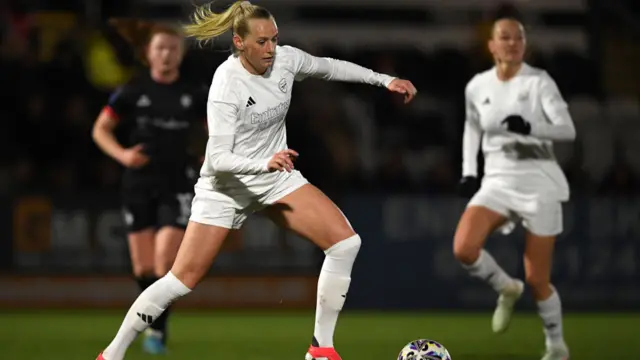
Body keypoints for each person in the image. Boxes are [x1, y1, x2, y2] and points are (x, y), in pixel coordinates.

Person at [95, 2, 416, 360]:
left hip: (275, 179)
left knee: (345, 244)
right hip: (226, 188)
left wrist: (383, 79)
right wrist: (264, 162)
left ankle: (320, 349)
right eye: (262, 42)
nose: (271, 49)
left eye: (275, 40)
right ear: (239, 42)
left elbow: (329, 68)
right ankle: (111, 354)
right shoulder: (226, 83)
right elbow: (218, 159)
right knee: (181, 280)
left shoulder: (286, 61)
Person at [454, 18, 575, 360]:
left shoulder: (539, 82)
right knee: (464, 247)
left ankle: (556, 346)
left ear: (525, 44)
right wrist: (468, 172)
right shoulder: (477, 86)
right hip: (497, 182)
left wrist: (531, 126)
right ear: (491, 46)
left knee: (538, 279)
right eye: (504, 38)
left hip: (539, 184)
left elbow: (567, 130)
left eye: (518, 37)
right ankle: (506, 287)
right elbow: (472, 131)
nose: (512, 43)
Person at [92, 19, 208, 355]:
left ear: (180, 54)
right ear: (148, 53)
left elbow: (218, 131)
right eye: (160, 48)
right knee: (142, 269)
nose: (167, 54)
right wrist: (123, 155)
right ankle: (154, 326)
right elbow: (101, 129)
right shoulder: (133, 90)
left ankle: (157, 332)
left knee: (163, 265)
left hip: (179, 184)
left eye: (173, 48)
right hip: (139, 184)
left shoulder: (195, 93)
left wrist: (208, 156)